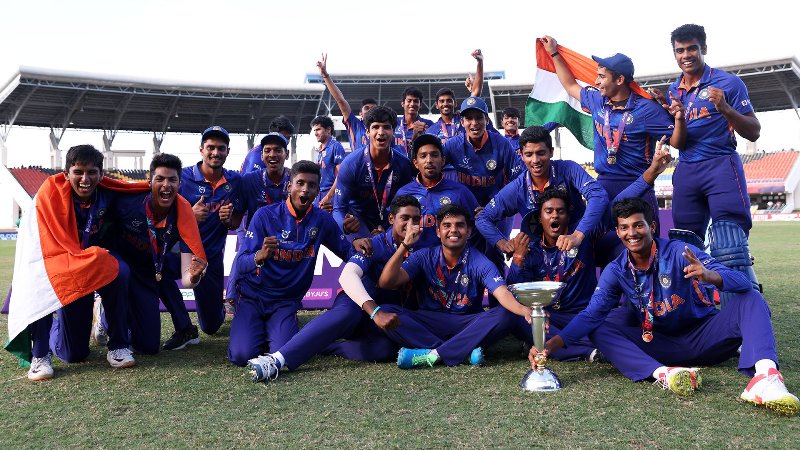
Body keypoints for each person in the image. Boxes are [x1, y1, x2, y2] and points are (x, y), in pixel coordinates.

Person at [529, 197, 798, 416]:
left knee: (751, 298)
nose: (631, 233)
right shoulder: (617, 270)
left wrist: (710, 275)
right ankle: (663, 375)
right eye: (624, 227)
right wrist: (551, 346)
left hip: (705, 336)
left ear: (653, 226)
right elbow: (591, 315)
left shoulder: (680, 252)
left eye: (638, 225)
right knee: (600, 327)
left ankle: (765, 378)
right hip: (659, 344)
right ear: (618, 232)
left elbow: (742, 282)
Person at [507, 144, 673, 361]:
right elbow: (515, 291)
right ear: (540, 217)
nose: (555, 216)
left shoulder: (582, 235)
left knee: (623, 316)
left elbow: (618, 203)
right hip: (549, 317)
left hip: (582, 315)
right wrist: (518, 259)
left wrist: (652, 172)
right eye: (548, 212)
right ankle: (589, 350)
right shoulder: (529, 246)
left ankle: (547, 343)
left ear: (569, 216)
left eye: (560, 211)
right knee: (517, 318)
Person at [246, 196, 422, 382]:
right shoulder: (375, 243)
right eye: (405, 218)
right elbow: (347, 276)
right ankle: (276, 360)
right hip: (358, 306)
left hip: (385, 316)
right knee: (348, 313)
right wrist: (375, 312)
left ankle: (321, 345)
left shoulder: (423, 246)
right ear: (391, 219)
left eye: (416, 219)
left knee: (385, 350)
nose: (411, 224)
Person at [539, 35, 685, 258]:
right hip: (604, 187)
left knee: (641, 252)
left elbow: (676, 141)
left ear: (619, 80)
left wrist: (679, 118)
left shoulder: (647, 109)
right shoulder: (597, 100)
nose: (596, 82)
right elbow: (570, 85)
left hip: (638, 186)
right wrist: (554, 53)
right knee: (591, 248)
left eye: (601, 76)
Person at [659, 24, 762, 303]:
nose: (686, 55)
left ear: (703, 48)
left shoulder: (728, 83)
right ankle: (698, 311)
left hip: (720, 166)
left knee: (730, 243)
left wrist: (726, 108)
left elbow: (754, 131)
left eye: (692, 48)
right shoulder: (673, 90)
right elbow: (678, 142)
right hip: (687, 169)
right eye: (680, 50)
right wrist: (677, 118)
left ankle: (741, 313)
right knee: (686, 245)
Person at [22, 145, 135, 380]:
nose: (85, 179)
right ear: (66, 174)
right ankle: (40, 353)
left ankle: (118, 344)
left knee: (120, 270)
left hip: (96, 262)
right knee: (74, 353)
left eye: (92, 172)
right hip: (63, 266)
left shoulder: (109, 194)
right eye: (78, 172)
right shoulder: (49, 195)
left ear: (101, 174)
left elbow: (143, 198)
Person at [228, 160, 353, 367]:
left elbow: (346, 252)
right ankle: (253, 328)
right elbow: (240, 263)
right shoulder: (264, 216)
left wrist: (365, 248)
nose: (305, 190)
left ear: (317, 191)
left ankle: (277, 329)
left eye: (311, 185)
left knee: (282, 353)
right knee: (242, 355)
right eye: (300, 183)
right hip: (252, 297)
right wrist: (259, 256)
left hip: (285, 302)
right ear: (289, 186)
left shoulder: (322, 220)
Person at [377, 204, 532, 368]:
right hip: (430, 322)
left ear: (469, 231)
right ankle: (463, 352)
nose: (453, 230)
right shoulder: (424, 256)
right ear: (438, 232)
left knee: (507, 313)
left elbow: (502, 293)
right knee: (385, 311)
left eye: (459, 225)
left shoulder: (480, 262)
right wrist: (405, 245)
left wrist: (525, 311)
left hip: (467, 325)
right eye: (447, 225)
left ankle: (434, 354)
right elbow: (386, 282)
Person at [109, 153, 208, 355]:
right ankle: (106, 313)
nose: (166, 185)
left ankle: (183, 327)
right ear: (150, 181)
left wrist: (194, 276)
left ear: (180, 184)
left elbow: (188, 277)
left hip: (150, 270)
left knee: (148, 346)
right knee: (122, 275)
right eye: (160, 179)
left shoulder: (184, 213)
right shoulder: (127, 202)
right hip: (121, 270)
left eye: (172, 180)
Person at [476, 125, 608, 259]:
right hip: (541, 255)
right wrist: (503, 244)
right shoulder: (517, 188)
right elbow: (483, 218)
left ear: (551, 152)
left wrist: (578, 235)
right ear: (521, 156)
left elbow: (598, 195)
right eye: (529, 154)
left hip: (576, 245)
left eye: (541, 153)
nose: (535, 160)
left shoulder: (569, 169)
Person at [161, 126, 243, 340]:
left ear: (227, 151)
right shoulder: (182, 177)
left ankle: (219, 309)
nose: (215, 152)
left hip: (210, 258)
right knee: (156, 270)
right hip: (180, 251)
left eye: (221, 148)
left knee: (211, 326)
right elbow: (160, 214)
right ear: (201, 150)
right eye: (210, 147)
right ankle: (184, 325)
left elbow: (235, 223)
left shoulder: (235, 181)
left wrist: (228, 220)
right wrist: (188, 215)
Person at [223, 132, 291, 318]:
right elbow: (235, 221)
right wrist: (227, 219)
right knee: (243, 254)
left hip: (287, 239)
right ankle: (231, 298)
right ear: (261, 156)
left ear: (286, 154)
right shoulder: (249, 180)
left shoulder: (295, 180)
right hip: (257, 239)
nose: (272, 155)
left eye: (278, 150)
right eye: (267, 151)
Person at [333, 106, 414, 240]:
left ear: (393, 131)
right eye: (375, 127)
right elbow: (338, 209)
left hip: (389, 221)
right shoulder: (351, 164)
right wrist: (345, 226)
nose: (381, 132)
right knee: (363, 250)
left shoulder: (404, 164)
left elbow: (408, 205)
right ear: (367, 132)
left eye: (386, 127)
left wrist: (391, 229)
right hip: (358, 222)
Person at [395, 134, 480, 248]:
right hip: (413, 257)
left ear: (443, 160)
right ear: (415, 163)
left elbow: (476, 228)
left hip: (450, 257)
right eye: (423, 156)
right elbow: (394, 231)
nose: (429, 160)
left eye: (434, 155)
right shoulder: (403, 193)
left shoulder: (460, 192)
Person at [316, 53, 377, 151]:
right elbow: (340, 100)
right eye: (367, 108)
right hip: (359, 161)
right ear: (360, 114)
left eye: (373, 108)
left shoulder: (384, 129)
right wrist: (325, 75)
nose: (370, 110)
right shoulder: (354, 124)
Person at [427, 49, 485, 144]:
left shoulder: (465, 120)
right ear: (436, 105)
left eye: (449, 100)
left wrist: (480, 62)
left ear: (455, 103)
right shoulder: (431, 130)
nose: (445, 104)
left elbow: (475, 94)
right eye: (442, 101)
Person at [310, 115, 347, 211]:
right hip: (319, 194)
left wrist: (329, 197)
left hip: (332, 194)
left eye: (318, 129)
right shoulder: (320, 150)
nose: (316, 133)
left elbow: (341, 175)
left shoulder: (336, 146)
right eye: (314, 130)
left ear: (328, 130)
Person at [395, 86, 434, 157]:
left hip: (417, 162)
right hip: (397, 163)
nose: (412, 104)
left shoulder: (428, 124)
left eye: (416, 101)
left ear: (420, 105)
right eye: (409, 100)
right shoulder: (394, 122)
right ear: (402, 103)